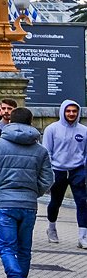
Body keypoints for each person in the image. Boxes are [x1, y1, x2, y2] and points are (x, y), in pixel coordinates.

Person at [0, 106, 55, 278]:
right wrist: (34, 192)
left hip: (4, 202)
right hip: (29, 204)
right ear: (31, 122)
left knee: (6, 247)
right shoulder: (40, 150)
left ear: (10, 121)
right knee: (24, 247)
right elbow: (48, 178)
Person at [41, 99, 87, 248]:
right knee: (56, 202)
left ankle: (83, 236)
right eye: (68, 111)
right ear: (63, 112)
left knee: (82, 202)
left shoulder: (84, 130)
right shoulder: (52, 129)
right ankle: (51, 228)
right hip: (58, 170)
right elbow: (46, 151)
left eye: (74, 111)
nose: (71, 114)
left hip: (77, 170)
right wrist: (49, 170)